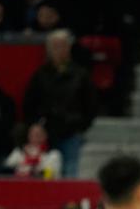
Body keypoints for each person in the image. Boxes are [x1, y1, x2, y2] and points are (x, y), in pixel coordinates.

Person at [23, 29, 97, 178]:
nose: (59, 50)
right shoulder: (41, 74)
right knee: (47, 173)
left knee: (70, 172)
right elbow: (30, 102)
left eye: (63, 46)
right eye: (55, 46)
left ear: (69, 48)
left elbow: (91, 104)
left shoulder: (80, 74)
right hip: (46, 132)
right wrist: (36, 124)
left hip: (72, 131)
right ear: (49, 50)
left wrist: (81, 125)